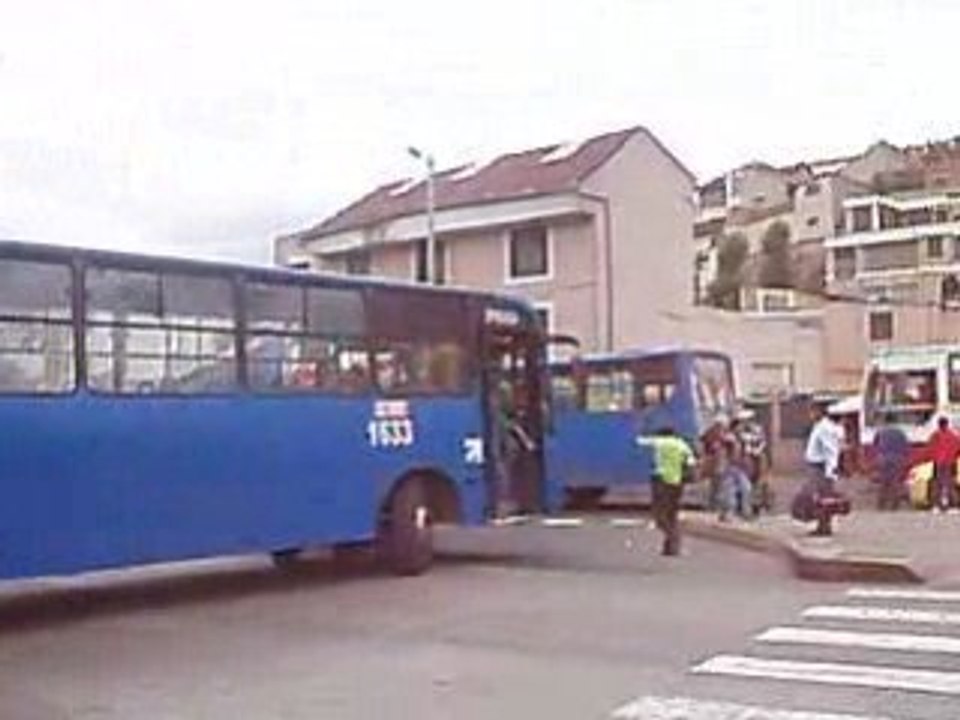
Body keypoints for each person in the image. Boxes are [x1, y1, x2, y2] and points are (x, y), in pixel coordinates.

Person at [642, 425, 697, 556]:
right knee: (672, 514)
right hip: (676, 482)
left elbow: (640, 442)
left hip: (661, 480)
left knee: (659, 515)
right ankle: (671, 547)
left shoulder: (660, 442)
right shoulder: (682, 445)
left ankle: (672, 540)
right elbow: (691, 463)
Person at [800, 402, 845, 536]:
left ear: (820, 412)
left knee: (822, 498)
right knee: (819, 498)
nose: (811, 415)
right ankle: (821, 525)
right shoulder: (818, 426)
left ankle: (824, 526)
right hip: (816, 466)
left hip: (821, 467)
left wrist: (831, 471)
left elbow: (830, 450)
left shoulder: (824, 428)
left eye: (813, 411)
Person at [920, 415, 960, 513]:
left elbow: (929, 449)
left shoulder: (935, 436)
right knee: (950, 484)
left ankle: (936, 506)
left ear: (939, 425)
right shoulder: (953, 436)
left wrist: (927, 459)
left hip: (938, 463)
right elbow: (958, 448)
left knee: (937, 484)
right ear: (947, 424)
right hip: (951, 463)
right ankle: (953, 506)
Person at [871, 422, 910, 511]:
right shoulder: (900, 433)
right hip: (897, 458)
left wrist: (878, 455)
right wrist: (904, 458)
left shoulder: (881, 431)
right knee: (895, 482)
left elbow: (875, 444)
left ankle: (881, 504)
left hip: (884, 458)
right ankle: (894, 505)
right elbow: (905, 446)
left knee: (884, 482)